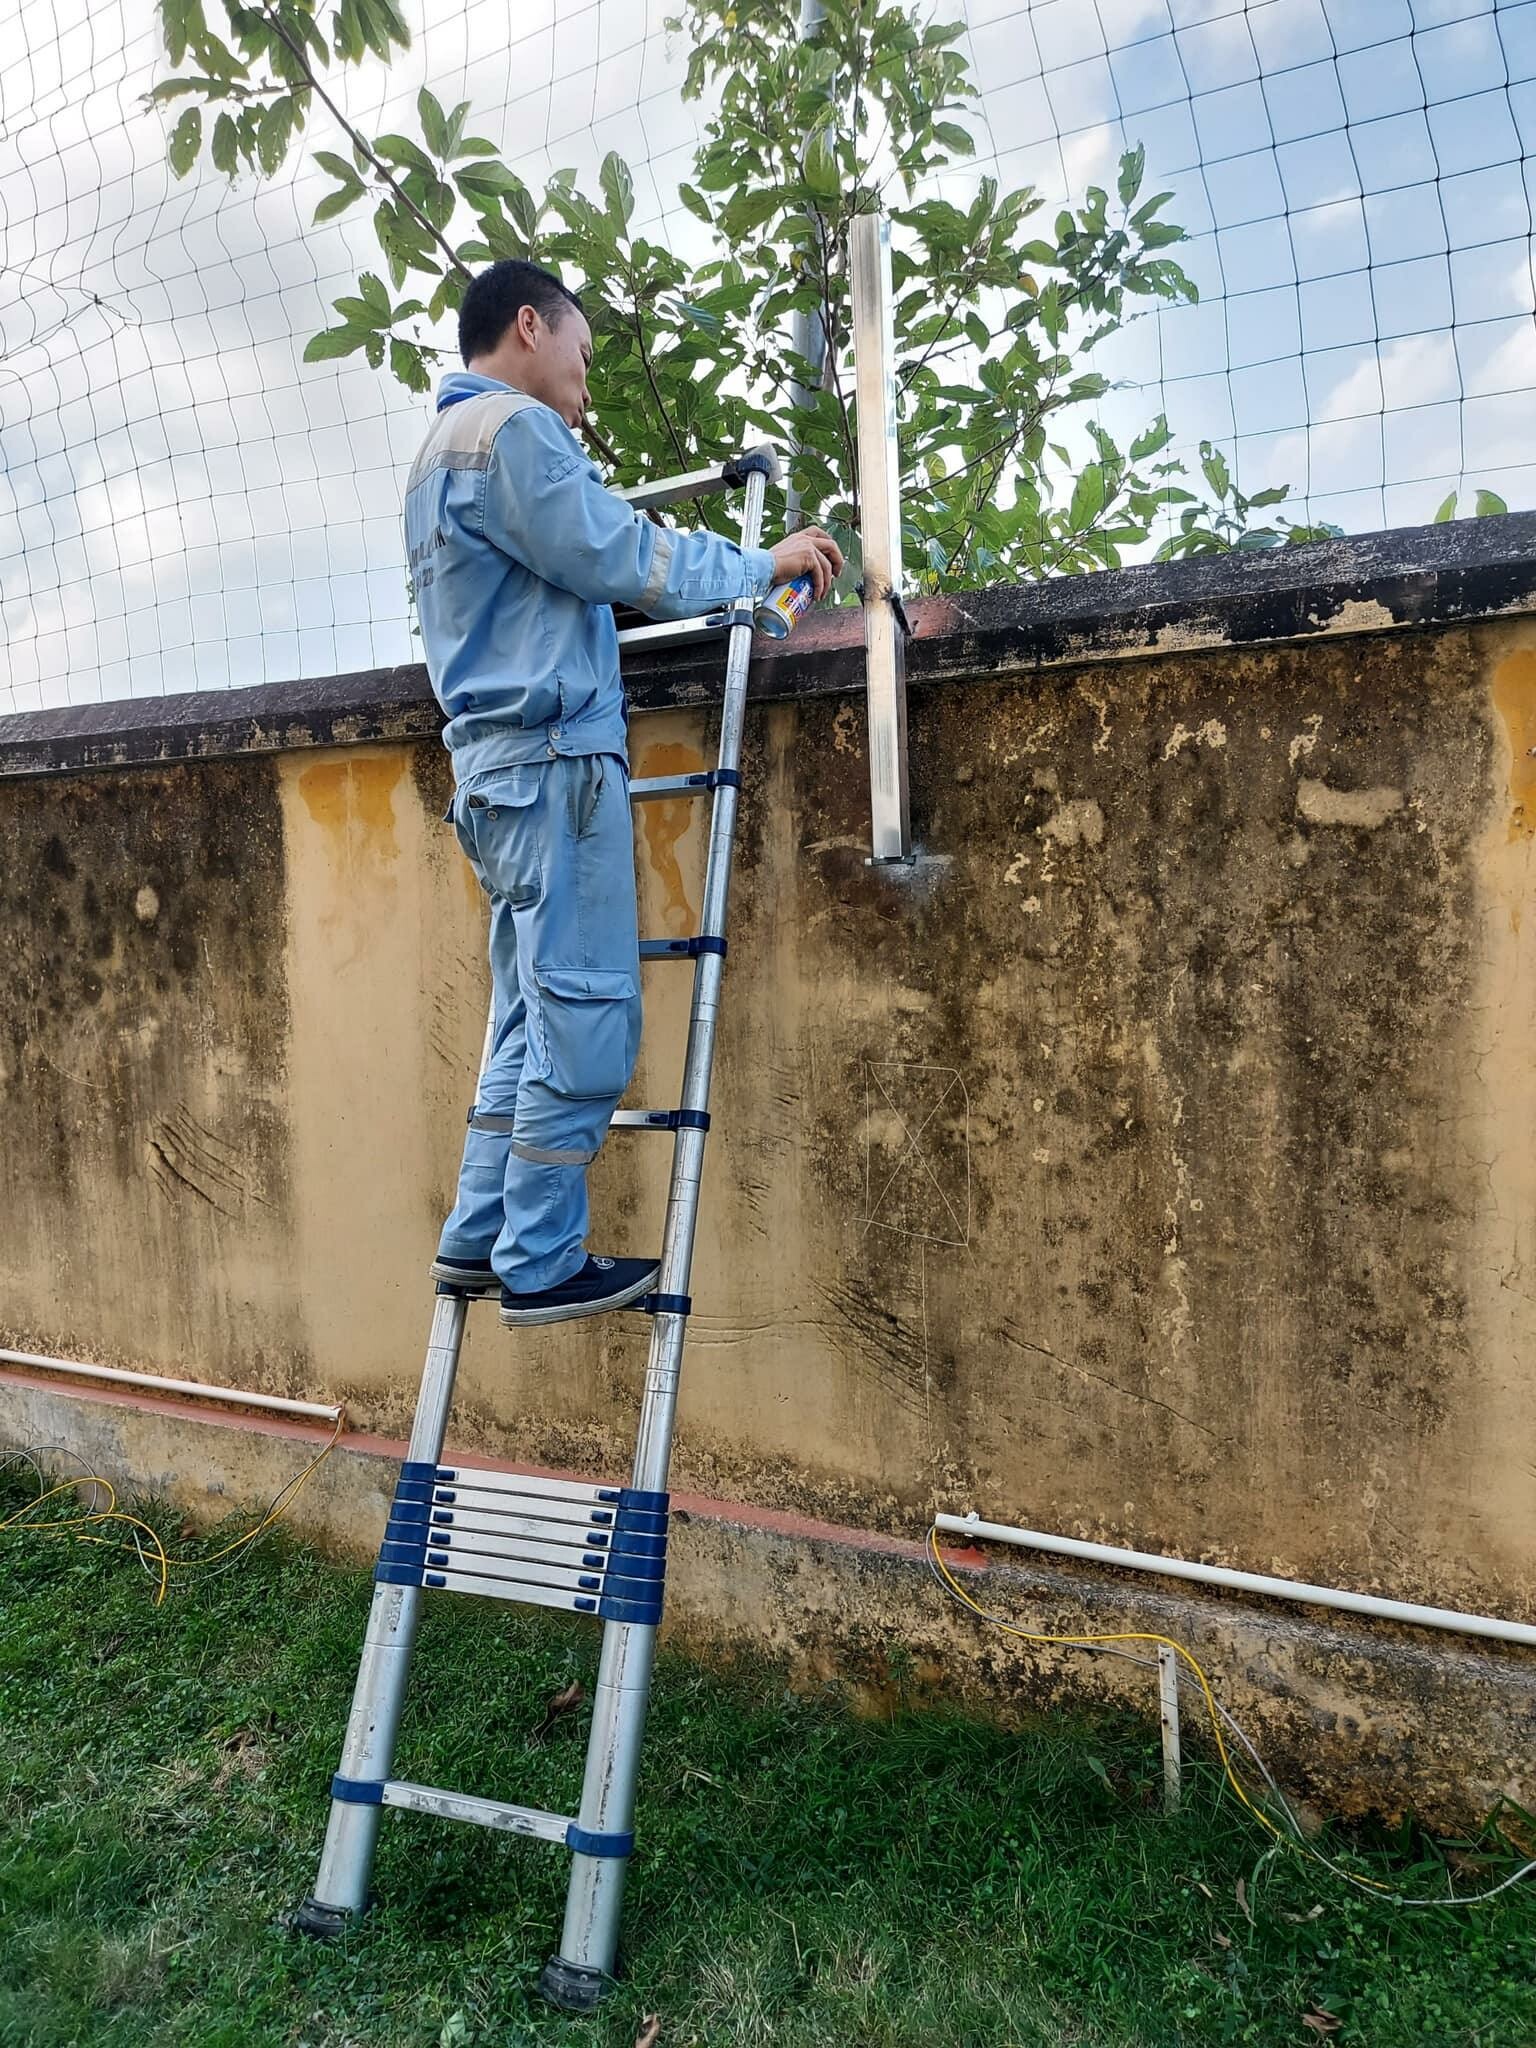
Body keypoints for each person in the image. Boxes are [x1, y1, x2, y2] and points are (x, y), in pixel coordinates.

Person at [403, 259, 843, 1328]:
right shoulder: (513, 432)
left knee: (526, 1019)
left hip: (493, 774)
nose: (587, 384)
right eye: (585, 354)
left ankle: (477, 1236)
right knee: (590, 1016)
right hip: (554, 765)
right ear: (529, 325)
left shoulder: (435, 454)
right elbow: (620, 554)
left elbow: (551, 575)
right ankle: (540, 1259)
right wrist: (760, 565)